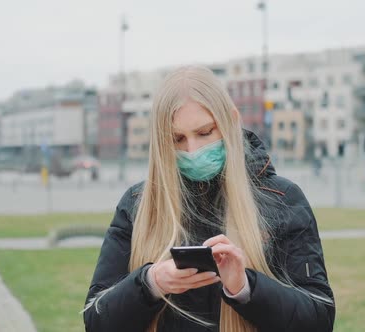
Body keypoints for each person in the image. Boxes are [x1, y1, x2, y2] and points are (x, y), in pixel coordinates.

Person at [82, 66, 335, 332]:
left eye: (205, 133)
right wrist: (150, 283)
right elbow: (96, 322)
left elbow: (318, 319)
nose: (193, 150)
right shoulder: (137, 204)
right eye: (177, 139)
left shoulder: (283, 199)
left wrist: (245, 287)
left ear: (231, 122)